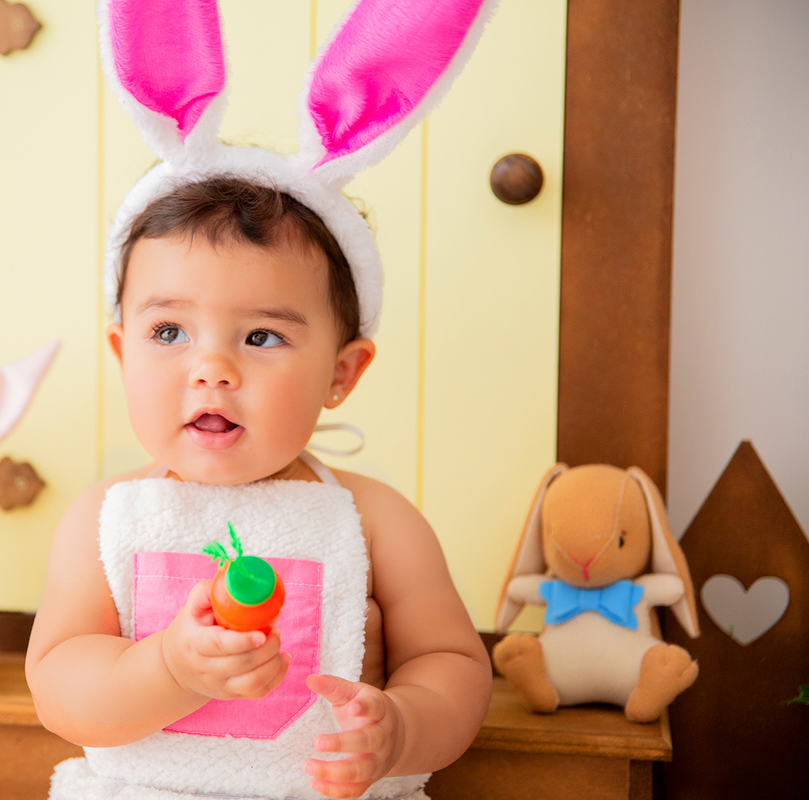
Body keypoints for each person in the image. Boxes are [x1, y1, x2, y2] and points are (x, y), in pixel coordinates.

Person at [27, 2, 496, 798]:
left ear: (342, 373)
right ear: (121, 352)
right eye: (169, 333)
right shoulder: (108, 519)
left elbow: (454, 664)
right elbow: (61, 690)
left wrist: (405, 726)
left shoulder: (374, 520)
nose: (212, 370)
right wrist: (167, 667)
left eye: (262, 338)